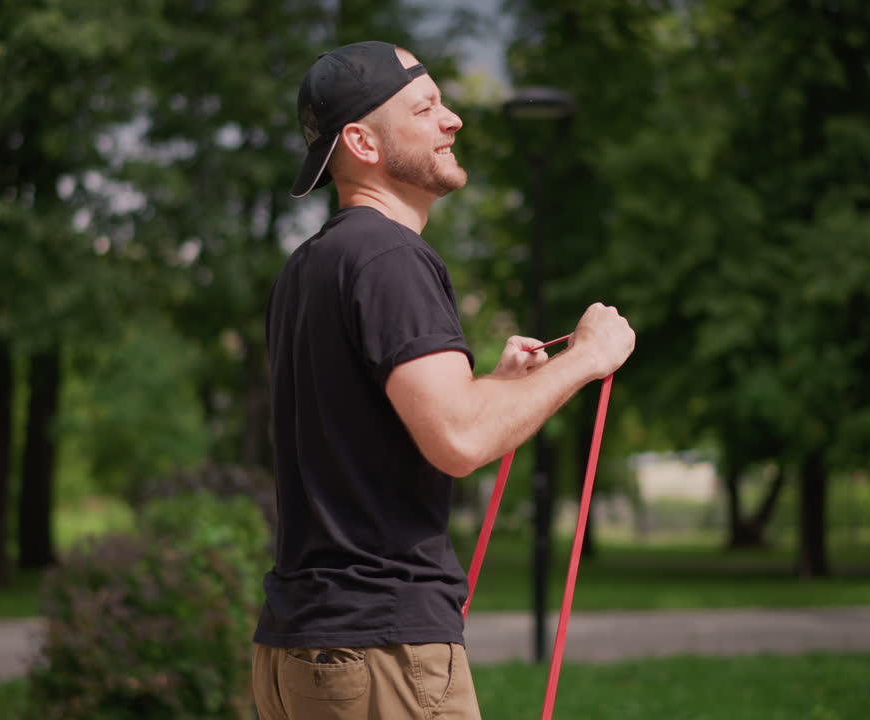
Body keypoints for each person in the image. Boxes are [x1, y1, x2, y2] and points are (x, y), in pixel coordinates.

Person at [251, 40, 636, 720]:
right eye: (426, 108)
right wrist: (588, 357)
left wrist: (500, 386)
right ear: (362, 142)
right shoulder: (390, 255)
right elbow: (458, 437)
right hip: (382, 652)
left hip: (300, 649)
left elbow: (396, 425)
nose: (452, 119)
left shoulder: (311, 265)